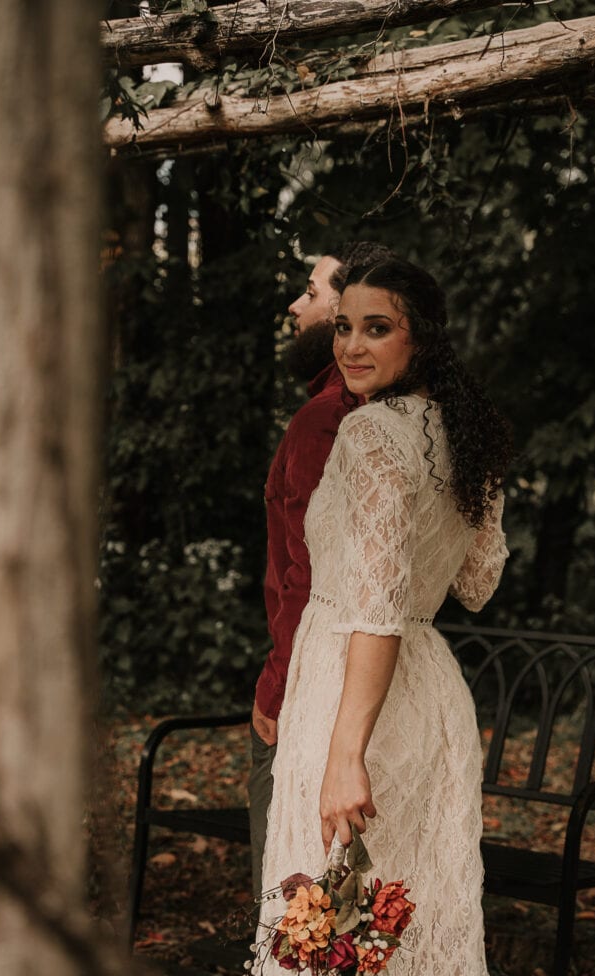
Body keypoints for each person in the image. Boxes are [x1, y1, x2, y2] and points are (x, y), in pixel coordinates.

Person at [252, 257, 511, 976]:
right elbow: (475, 583)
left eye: (376, 328)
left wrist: (343, 756)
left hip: (350, 690)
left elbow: (374, 609)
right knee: (401, 917)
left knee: (332, 918)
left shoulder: (368, 434)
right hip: (426, 690)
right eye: (343, 327)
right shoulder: (467, 438)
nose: (350, 347)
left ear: (420, 339)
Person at [249, 242, 397, 899]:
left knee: (298, 902)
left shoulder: (327, 420)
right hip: (383, 688)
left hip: (315, 691)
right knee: (358, 908)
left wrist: (275, 688)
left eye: (311, 292)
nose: (295, 304)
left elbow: (309, 576)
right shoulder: (396, 416)